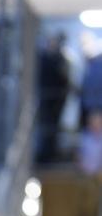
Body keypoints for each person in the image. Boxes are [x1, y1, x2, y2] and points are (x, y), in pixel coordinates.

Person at [35, 33, 70, 164]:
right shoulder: (47, 58)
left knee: (52, 127)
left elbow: (64, 79)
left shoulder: (58, 58)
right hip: (47, 98)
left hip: (55, 100)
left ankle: (49, 154)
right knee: (46, 126)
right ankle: (45, 153)